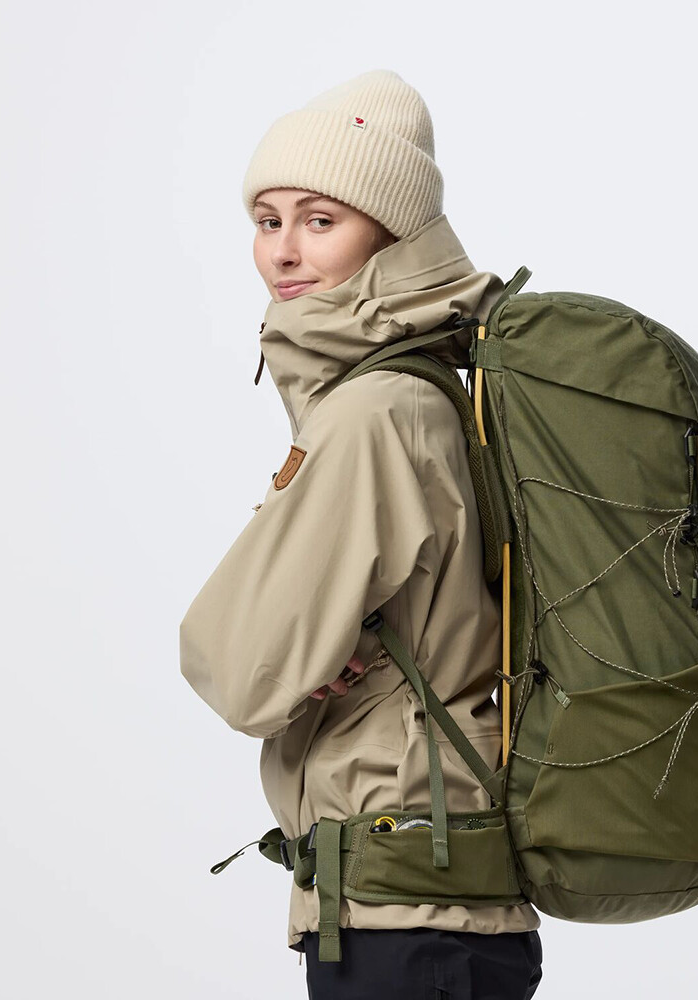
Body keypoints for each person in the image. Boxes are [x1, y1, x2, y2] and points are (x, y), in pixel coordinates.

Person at [179, 69, 543, 999]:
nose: (284, 251)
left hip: (405, 911)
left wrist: (299, 660)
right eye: (268, 220)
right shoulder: (425, 388)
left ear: (392, 235)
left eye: (320, 220)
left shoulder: (376, 411)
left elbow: (241, 668)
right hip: (427, 895)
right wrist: (312, 653)